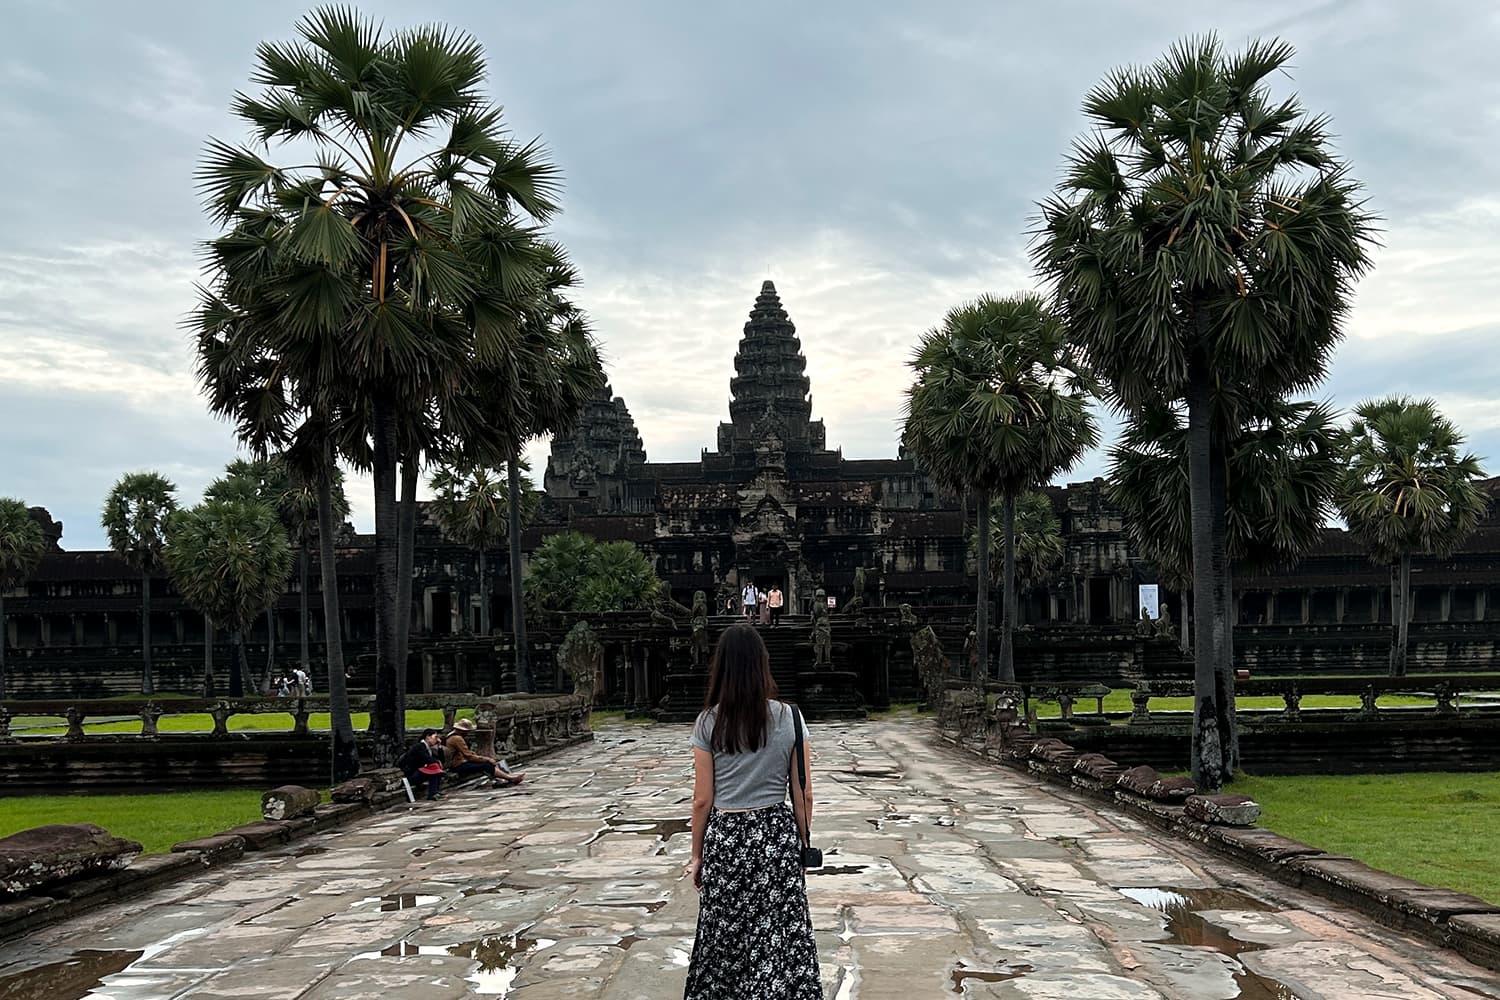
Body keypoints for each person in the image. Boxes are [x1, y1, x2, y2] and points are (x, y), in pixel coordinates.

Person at [685, 624, 820, 999]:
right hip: (775, 834)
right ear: (763, 665)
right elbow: (803, 793)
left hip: (727, 838)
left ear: (721, 668)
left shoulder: (708, 722)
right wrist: (802, 839)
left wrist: (697, 855)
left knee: (725, 938)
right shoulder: (790, 717)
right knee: (777, 935)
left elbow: (701, 800)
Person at [445, 718, 526, 787]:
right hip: (457, 765)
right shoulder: (457, 738)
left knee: (487, 764)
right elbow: (468, 755)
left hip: (459, 762)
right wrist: (486, 759)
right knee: (486, 765)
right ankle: (509, 778)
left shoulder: (452, 736)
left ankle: (503, 778)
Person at [398, 729, 446, 801]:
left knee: (436, 769)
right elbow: (427, 759)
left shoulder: (428, 749)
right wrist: (437, 762)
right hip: (411, 775)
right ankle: (432, 793)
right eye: (435, 737)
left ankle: (435, 791)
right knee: (434, 768)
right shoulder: (419, 747)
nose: (437, 740)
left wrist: (439, 747)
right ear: (428, 737)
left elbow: (442, 760)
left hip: (419, 773)